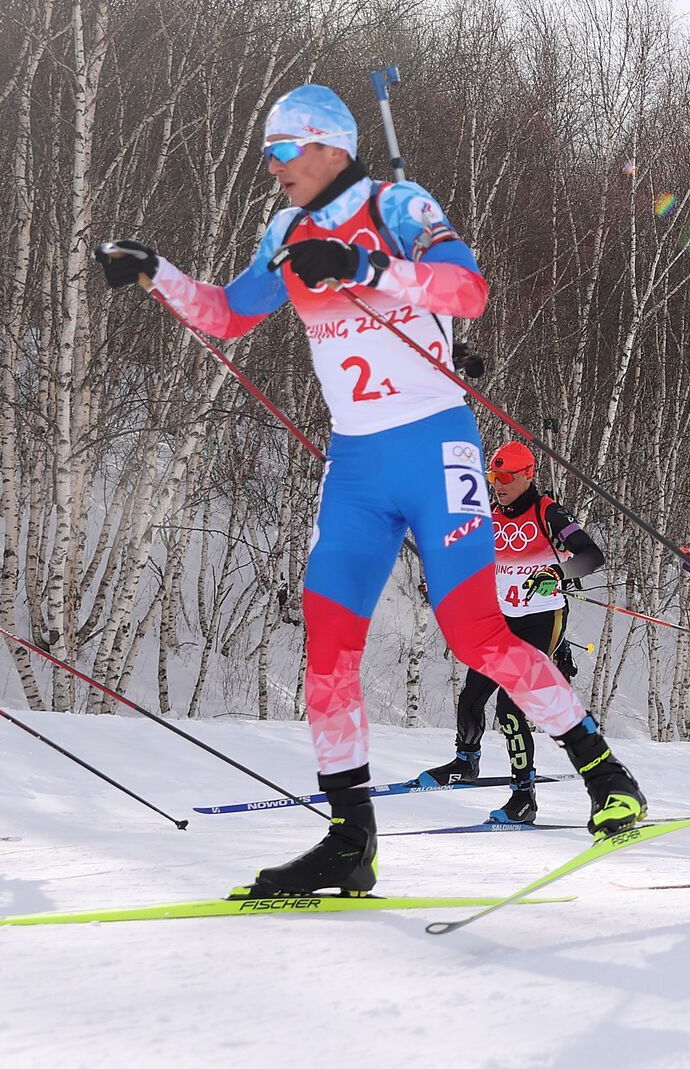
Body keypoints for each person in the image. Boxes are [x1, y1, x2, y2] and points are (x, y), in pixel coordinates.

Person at [95, 83, 644, 895]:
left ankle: (607, 776)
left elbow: (468, 291)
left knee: (477, 635)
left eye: (283, 150)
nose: (273, 165)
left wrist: (367, 265)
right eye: (268, 153)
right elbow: (228, 312)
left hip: (435, 445)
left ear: (327, 146)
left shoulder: (398, 203)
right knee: (328, 646)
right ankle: (350, 840)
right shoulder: (283, 229)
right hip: (355, 464)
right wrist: (155, 273)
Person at [415, 440, 604, 825]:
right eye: (493, 476)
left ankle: (524, 798)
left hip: (540, 619)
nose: (498, 484)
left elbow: (591, 555)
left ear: (527, 475)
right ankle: (465, 762)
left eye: (505, 477)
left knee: (510, 710)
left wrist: (558, 573)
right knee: (471, 697)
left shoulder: (547, 511)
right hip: (499, 617)